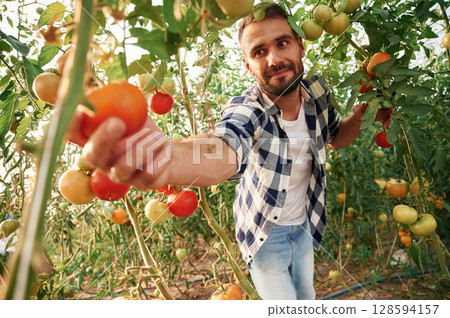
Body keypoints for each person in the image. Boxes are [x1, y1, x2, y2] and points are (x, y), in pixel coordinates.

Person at [78, 3, 392, 300]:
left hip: (308, 223)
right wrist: (167, 159)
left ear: (300, 45)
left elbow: (335, 136)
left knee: (306, 295)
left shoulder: (317, 90)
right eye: (259, 52)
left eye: (282, 44)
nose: (273, 59)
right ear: (247, 65)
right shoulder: (248, 109)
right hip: (266, 234)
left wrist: (363, 115)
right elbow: (223, 149)